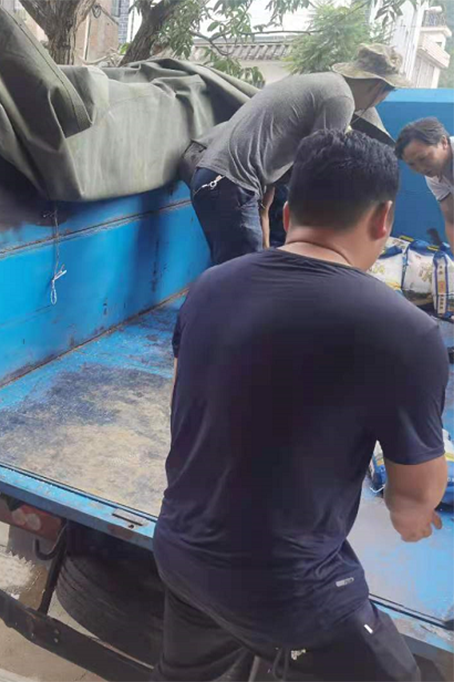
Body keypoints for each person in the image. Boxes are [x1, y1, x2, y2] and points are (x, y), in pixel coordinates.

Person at [155, 129, 449, 682]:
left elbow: (184, 407)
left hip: (180, 550)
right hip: (289, 589)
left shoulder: (210, 287)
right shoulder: (407, 332)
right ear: (384, 220)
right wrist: (413, 516)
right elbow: (411, 501)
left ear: (287, 213)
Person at [187, 44, 408, 265]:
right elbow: (321, 170)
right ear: (379, 86)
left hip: (214, 177)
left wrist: (265, 208)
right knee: (244, 273)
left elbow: (273, 148)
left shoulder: (322, 84)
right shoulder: (340, 98)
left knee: (233, 268)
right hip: (232, 183)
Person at [395, 117, 454, 247]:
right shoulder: (433, 175)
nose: (420, 169)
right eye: (412, 164)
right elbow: (451, 220)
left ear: (443, 142)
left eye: (423, 158)